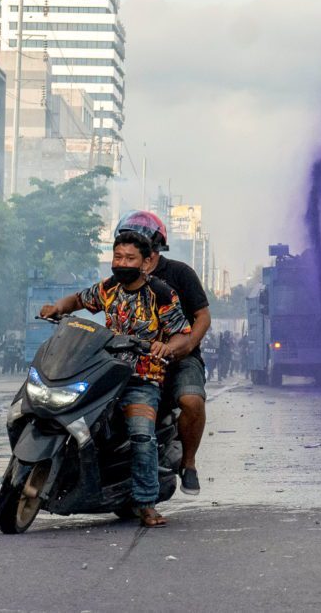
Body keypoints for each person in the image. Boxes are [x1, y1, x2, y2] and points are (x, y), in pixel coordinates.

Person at [40, 231, 191, 527]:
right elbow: (79, 299)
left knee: (141, 434)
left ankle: (146, 503)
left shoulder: (161, 294)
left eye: (130, 258)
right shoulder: (108, 288)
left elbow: (182, 335)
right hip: (103, 372)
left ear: (146, 262)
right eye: (117, 257)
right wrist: (57, 308)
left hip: (142, 378)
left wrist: (167, 346)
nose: (121, 263)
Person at [115, 210, 211, 496]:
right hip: (132, 358)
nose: (129, 257)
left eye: (138, 250)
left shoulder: (179, 273)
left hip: (178, 358)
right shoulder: (120, 277)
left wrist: (186, 345)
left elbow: (203, 316)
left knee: (192, 401)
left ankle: (189, 463)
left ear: (152, 251)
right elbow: (93, 300)